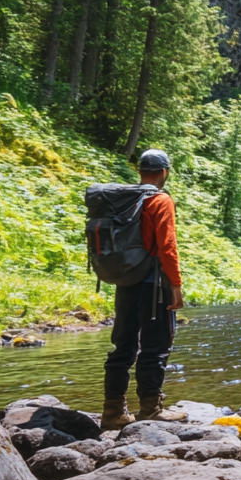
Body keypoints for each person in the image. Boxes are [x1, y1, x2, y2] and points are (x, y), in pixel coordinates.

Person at [100, 148, 188, 429]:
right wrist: (175, 285)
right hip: (153, 286)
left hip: (125, 281)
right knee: (155, 347)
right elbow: (167, 246)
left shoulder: (124, 200)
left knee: (123, 345)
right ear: (164, 172)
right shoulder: (160, 200)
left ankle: (113, 411)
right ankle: (150, 408)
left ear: (139, 172)